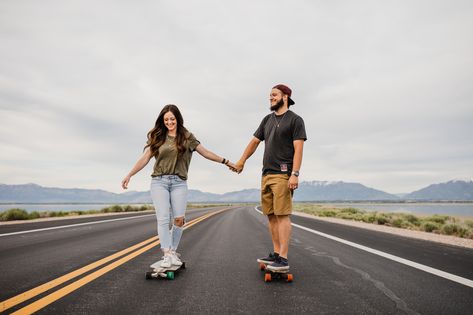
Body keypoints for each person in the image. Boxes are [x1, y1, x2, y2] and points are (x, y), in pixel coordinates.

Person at [122, 104, 235, 268]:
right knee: (163, 218)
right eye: (166, 119)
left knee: (179, 219)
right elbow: (145, 158)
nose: (169, 122)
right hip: (159, 181)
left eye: (172, 119)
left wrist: (227, 162)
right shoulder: (158, 137)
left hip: (179, 183)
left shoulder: (187, 137)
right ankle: (166, 253)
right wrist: (129, 174)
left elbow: (206, 152)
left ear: (178, 119)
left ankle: (173, 251)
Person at [234, 84, 307, 271]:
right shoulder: (267, 120)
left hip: (283, 175)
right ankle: (275, 253)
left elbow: (298, 149)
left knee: (282, 215)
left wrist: (295, 174)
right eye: (270, 96)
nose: (271, 98)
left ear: (285, 97)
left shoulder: (295, 120)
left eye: (274, 95)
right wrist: (241, 160)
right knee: (272, 216)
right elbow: (254, 142)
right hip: (266, 174)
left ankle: (283, 258)